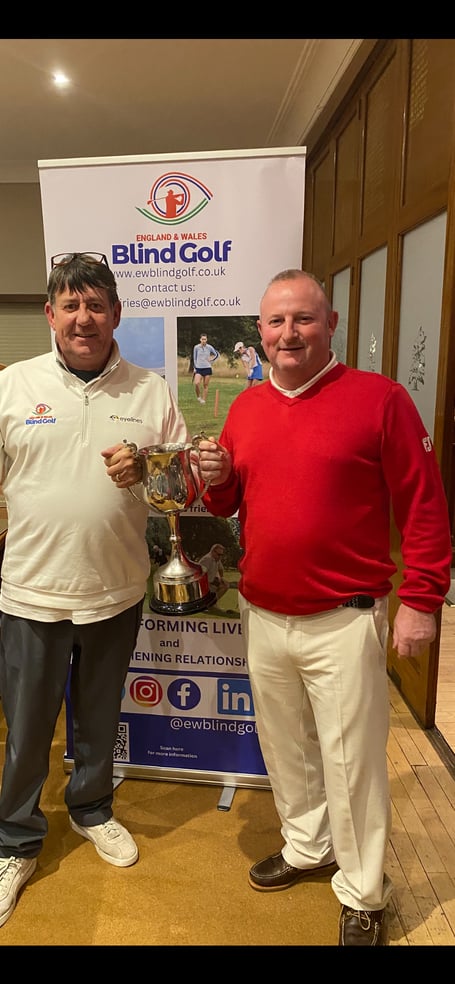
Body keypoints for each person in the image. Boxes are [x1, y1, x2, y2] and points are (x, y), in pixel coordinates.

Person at [198, 269, 452, 947]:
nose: (289, 334)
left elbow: (424, 509)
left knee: (353, 761)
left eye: (303, 319)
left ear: (330, 324)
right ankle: (307, 845)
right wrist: (216, 481)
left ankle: (364, 890)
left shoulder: (381, 400)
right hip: (263, 612)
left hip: (345, 615)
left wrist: (421, 600)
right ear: (260, 333)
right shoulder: (246, 407)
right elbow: (226, 505)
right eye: (276, 322)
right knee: (286, 750)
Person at [0, 251, 190, 929]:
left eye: (96, 305)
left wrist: (149, 467)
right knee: (25, 732)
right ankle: (15, 840)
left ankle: (91, 810)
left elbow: (177, 494)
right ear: (50, 314)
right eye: (70, 305)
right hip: (31, 592)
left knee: (99, 721)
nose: (84, 318)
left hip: (115, 592)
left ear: (116, 314)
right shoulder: (12, 386)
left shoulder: (151, 390)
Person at [192, 333, 219, 404]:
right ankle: (198, 397)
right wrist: (195, 367)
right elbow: (194, 358)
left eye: (205, 339)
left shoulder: (209, 347)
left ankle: (203, 400)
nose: (204, 341)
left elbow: (217, 354)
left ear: (207, 340)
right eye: (202, 339)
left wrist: (211, 360)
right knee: (197, 383)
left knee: (205, 385)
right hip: (199, 368)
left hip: (207, 368)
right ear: (200, 339)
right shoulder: (196, 347)